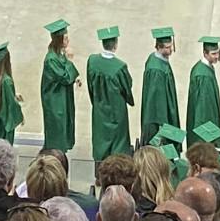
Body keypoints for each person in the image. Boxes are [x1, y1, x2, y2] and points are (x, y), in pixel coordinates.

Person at [85, 27, 134, 163]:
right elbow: (127, 87)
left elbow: (90, 85)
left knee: (101, 137)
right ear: (116, 45)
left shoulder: (92, 61)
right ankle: (119, 169)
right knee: (118, 141)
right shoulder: (120, 67)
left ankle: (100, 171)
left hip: (100, 108)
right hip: (117, 111)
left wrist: (97, 100)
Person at [40, 21, 79, 155]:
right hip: (55, 102)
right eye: (65, 37)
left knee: (63, 127)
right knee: (57, 131)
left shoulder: (58, 54)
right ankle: (55, 157)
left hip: (61, 99)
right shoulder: (51, 59)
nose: (68, 39)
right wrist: (70, 60)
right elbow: (65, 77)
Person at [140, 29, 179, 146]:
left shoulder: (157, 59)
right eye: (167, 47)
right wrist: (164, 125)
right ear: (159, 47)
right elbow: (157, 103)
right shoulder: (156, 70)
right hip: (159, 118)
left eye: (171, 46)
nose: (171, 50)